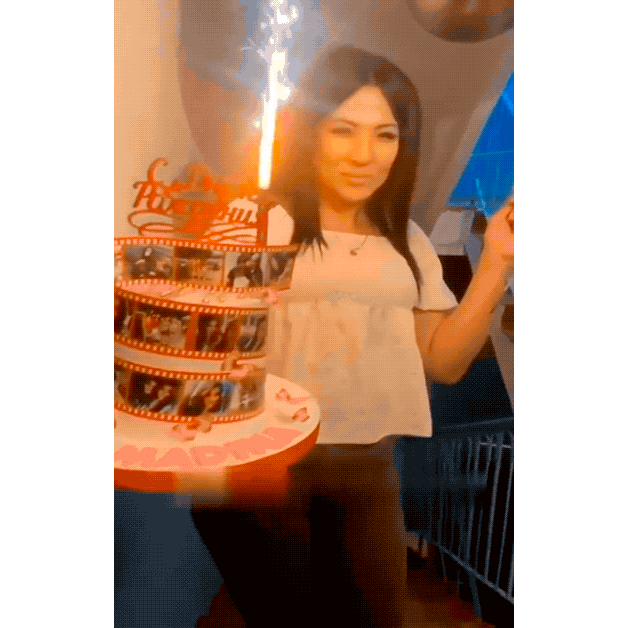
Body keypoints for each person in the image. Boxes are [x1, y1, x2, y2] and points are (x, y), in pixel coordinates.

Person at [190, 44, 514, 628]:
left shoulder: (407, 241)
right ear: (310, 131)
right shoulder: (258, 223)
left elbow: (443, 362)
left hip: (367, 464)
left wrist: (495, 263)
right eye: (343, 129)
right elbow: (203, 349)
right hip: (265, 463)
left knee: (377, 617)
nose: (366, 155)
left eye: (385, 135)